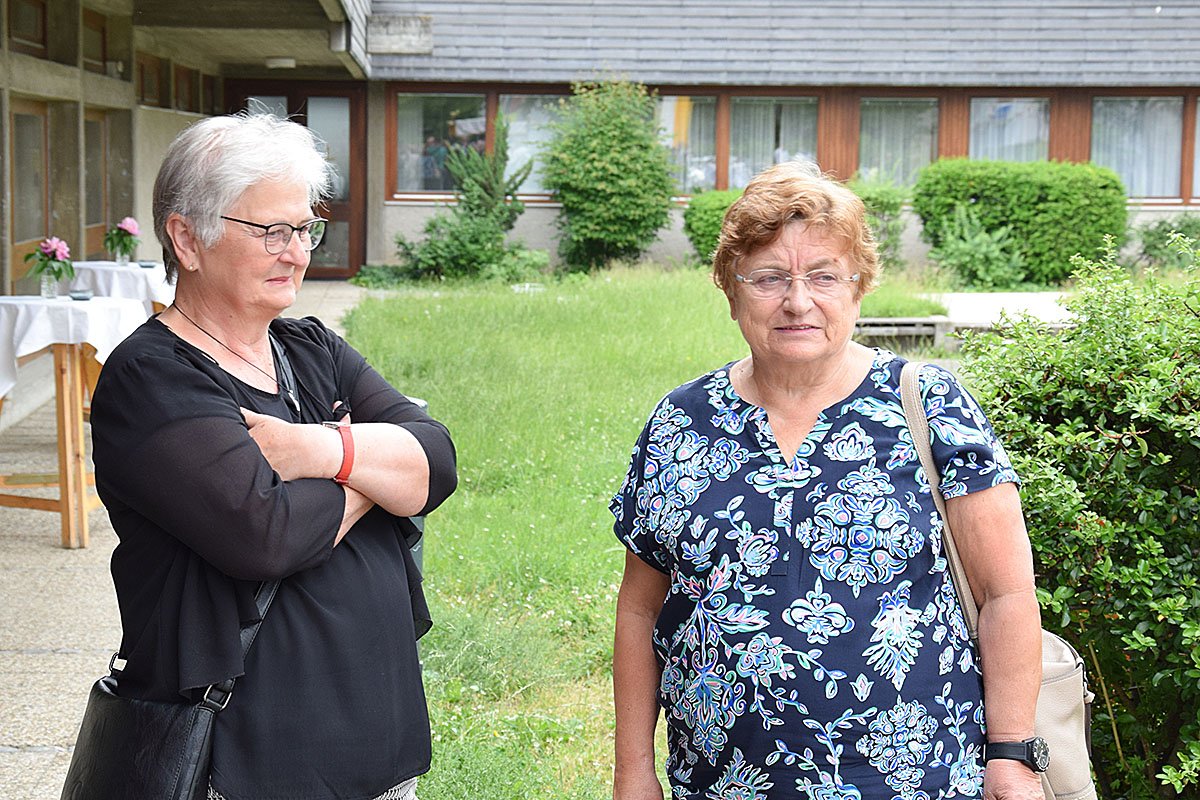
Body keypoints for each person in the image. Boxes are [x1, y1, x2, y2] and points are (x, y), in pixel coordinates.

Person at [610, 161, 1044, 800]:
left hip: (917, 780)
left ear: (858, 288)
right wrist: (632, 771)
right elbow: (640, 609)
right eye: (768, 278)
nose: (797, 301)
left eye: (823, 276)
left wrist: (1011, 757)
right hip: (719, 781)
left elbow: (1006, 593)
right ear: (731, 293)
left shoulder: (927, 403)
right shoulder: (682, 421)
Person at [89, 113, 457, 800]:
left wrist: (317, 448)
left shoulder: (311, 349)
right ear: (186, 238)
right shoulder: (151, 378)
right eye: (271, 232)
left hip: (380, 743)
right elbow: (266, 533)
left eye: (304, 229)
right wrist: (370, 466)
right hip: (249, 762)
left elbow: (436, 460)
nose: (296, 253)